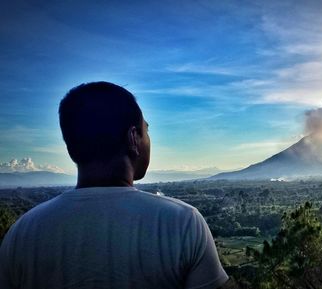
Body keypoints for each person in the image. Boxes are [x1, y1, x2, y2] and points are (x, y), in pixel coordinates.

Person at [0, 82, 229, 289]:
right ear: (133, 138)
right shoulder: (183, 222)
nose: (149, 140)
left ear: (71, 148)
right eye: (146, 131)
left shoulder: (22, 233)